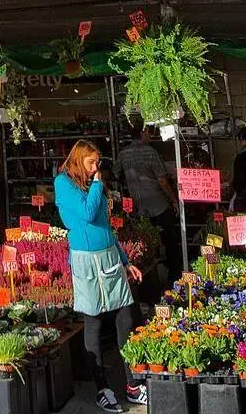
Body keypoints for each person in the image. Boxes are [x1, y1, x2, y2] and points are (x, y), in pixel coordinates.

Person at [53, 141, 143, 412]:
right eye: (91, 162)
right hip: (86, 260)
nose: (96, 167)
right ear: (78, 160)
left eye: (98, 162)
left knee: (126, 317)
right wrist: (96, 184)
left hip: (109, 256)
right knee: (93, 324)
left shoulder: (94, 185)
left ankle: (133, 384)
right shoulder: (64, 183)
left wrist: (125, 261)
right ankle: (102, 388)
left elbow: (105, 225)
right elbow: (87, 213)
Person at [116, 133, 181, 285]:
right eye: (148, 132)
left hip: (138, 206)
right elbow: (162, 180)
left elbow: (115, 173)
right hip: (158, 204)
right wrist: (173, 200)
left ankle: (147, 281)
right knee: (169, 239)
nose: (151, 135)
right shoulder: (151, 152)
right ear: (143, 133)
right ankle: (174, 276)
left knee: (143, 244)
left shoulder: (123, 154)